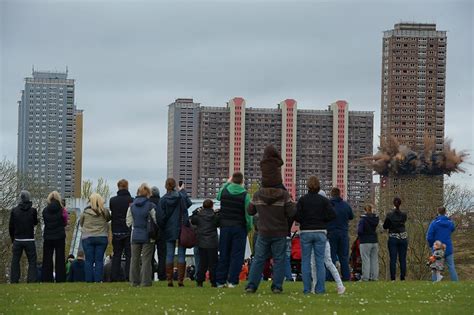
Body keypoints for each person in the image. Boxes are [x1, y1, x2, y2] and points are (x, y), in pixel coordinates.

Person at [245, 181, 296, 294]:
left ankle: (251, 285)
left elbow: (250, 211)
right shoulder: (283, 195)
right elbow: (292, 212)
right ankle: (277, 286)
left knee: (259, 259)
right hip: (279, 231)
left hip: (263, 231)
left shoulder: (258, 194)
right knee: (279, 259)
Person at [294, 176, 336, 294]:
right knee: (319, 261)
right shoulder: (324, 201)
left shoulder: (302, 200)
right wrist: (323, 220)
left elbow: (296, 216)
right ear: (319, 187)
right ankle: (320, 288)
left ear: (307, 186)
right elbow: (333, 215)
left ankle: (307, 289)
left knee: (306, 261)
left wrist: (304, 220)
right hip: (320, 231)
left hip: (306, 232)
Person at [215, 172, 252, 288]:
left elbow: (218, 196)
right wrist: (249, 227)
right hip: (239, 227)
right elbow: (248, 214)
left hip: (225, 226)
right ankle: (233, 281)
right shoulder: (245, 195)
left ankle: (220, 281)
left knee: (224, 253)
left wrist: (227, 183)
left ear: (232, 180)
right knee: (237, 255)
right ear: (242, 181)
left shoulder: (224, 192)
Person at [157, 178, 192, 287]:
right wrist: (182, 191)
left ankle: (169, 280)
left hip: (169, 228)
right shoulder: (180, 197)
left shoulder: (163, 200)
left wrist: (163, 226)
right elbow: (188, 204)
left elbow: (160, 217)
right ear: (175, 185)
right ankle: (180, 280)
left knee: (169, 254)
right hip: (181, 228)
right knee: (181, 254)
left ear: (166, 186)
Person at [311, 189, 345, 294]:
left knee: (318, 264)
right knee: (326, 263)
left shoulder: (320, 211)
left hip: (321, 238)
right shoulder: (327, 210)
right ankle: (339, 285)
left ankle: (316, 286)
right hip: (324, 238)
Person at [127, 183, 158, 287]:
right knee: (146, 260)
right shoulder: (150, 206)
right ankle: (145, 282)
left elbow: (128, 222)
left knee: (134, 259)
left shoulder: (131, 206)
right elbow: (156, 220)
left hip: (135, 235)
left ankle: (134, 281)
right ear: (148, 194)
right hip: (148, 236)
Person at [80, 193, 111, 283]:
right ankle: (98, 280)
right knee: (99, 260)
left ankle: (89, 280)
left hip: (88, 238)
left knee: (89, 260)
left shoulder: (85, 213)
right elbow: (109, 219)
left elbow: (81, 223)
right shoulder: (104, 212)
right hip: (101, 237)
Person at [9, 190, 38, 283]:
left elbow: (11, 226)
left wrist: (13, 240)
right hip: (29, 239)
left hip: (18, 239)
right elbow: (35, 222)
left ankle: (14, 280)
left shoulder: (14, 211)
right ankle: (31, 280)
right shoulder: (33, 210)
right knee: (32, 261)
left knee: (15, 261)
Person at [326, 187, 353, 282]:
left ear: (331, 194)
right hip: (343, 233)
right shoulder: (346, 205)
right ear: (340, 194)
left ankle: (330, 277)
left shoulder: (328, 205)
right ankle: (346, 277)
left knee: (331, 256)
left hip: (331, 232)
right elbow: (351, 216)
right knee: (344, 257)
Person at [190, 199, 219, 287]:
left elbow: (192, 219)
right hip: (212, 242)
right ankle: (213, 282)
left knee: (202, 263)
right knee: (213, 264)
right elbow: (219, 222)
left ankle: (200, 281)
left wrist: (196, 211)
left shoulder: (199, 216)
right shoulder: (214, 216)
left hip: (201, 242)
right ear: (212, 206)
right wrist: (217, 212)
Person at [109, 179, 133, 282]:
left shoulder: (113, 200)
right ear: (127, 186)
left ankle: (115, 276)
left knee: (117, 254)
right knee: (129, 255)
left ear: (118, 187)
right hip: (128, 230)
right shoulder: (131, 200)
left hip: (116, 230)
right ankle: (128, 275)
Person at [426, 207, 458, 281]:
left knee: (435, 267)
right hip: (448, 247)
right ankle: (455, 282)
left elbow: (429, 236)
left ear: (438, 212)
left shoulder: (434, 223)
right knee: (451, 266)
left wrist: (432, 245)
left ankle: (435, 283)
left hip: (437, 248)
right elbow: (453, 228)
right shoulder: (450, 223)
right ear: (445, 212)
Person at [42, 191, 67, 282]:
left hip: (48, 236)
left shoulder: (45, 210)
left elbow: (45, 221)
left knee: (47, 258)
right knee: (60, 257)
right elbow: (65, 221)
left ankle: (47, 278)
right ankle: (60, 278)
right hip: (59, 236)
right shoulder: (62, 210)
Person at [383, 197, 408, 281]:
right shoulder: (404, 215)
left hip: (393, 237)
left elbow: (385, 226)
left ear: (393, 203)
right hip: (403, 237)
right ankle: (403, 277)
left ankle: (393, 278)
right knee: (402, 258)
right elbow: (404, 222)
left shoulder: (390, 215)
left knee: (393, 259)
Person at [358, 204, 379, 282]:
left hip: (365, 241)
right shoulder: (376, 219)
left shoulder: (363, 220)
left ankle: (365, 277)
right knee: (374, 259)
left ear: (365, 210)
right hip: (374, 240)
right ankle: (374, 277)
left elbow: (360, 231)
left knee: (366, 259)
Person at [149, 186, 166, 281]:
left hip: (150, 231)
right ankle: (162, 275)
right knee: (162, 255)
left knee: (149, 255)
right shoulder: (162, 202)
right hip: (162, 231)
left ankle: (150, 274)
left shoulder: (148, 204)